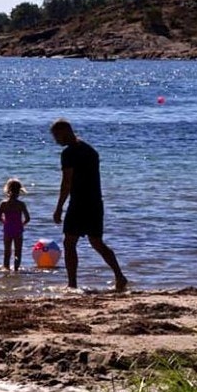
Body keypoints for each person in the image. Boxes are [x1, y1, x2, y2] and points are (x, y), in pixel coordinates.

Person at [50, 118, 128, 291]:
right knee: (97, 242)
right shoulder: (90, 150)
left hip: (79, 203)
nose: (55, 140)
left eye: (56, 136)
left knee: (69, 243)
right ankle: (119, 276)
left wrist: (59, 208)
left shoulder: (69, 153)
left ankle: (72, 284)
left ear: (65, 132)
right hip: (95, 202)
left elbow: (67, 182)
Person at [0, 177, 31, 271]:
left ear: (8, 189)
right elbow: (27, 218)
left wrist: (5, 222)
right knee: (18, 251)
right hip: (18, 229)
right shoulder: (21, 204)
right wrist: (22, 225)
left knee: (7, 251)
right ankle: (16, 269)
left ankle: (6, 268)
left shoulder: (3, 204)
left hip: (7, 229)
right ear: (19, 191)